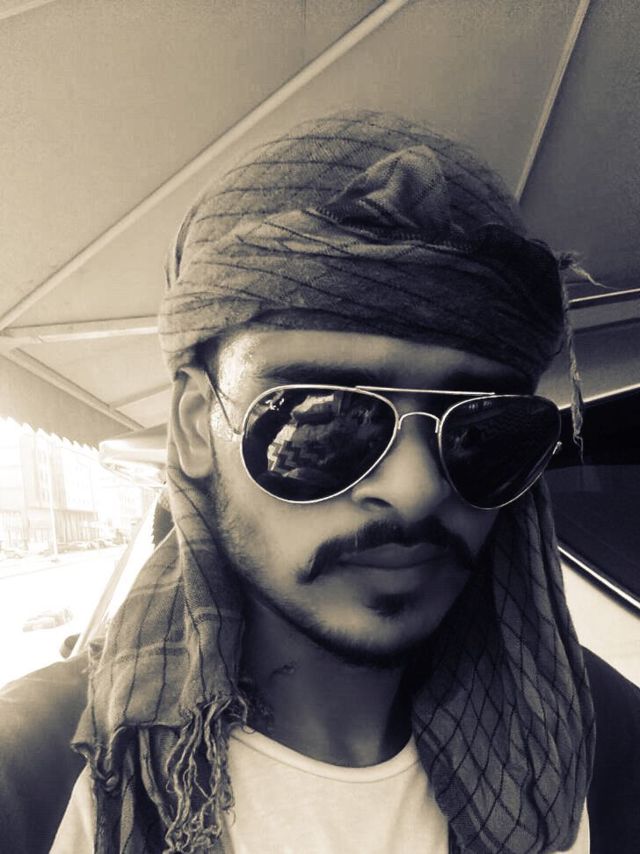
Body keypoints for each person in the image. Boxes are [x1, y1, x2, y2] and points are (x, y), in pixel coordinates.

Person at [6, 111, 640, 853]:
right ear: (195, 425)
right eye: (325, 417)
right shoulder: (37, 779)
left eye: (479, 429)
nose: (415, 489)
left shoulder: (600, 742)